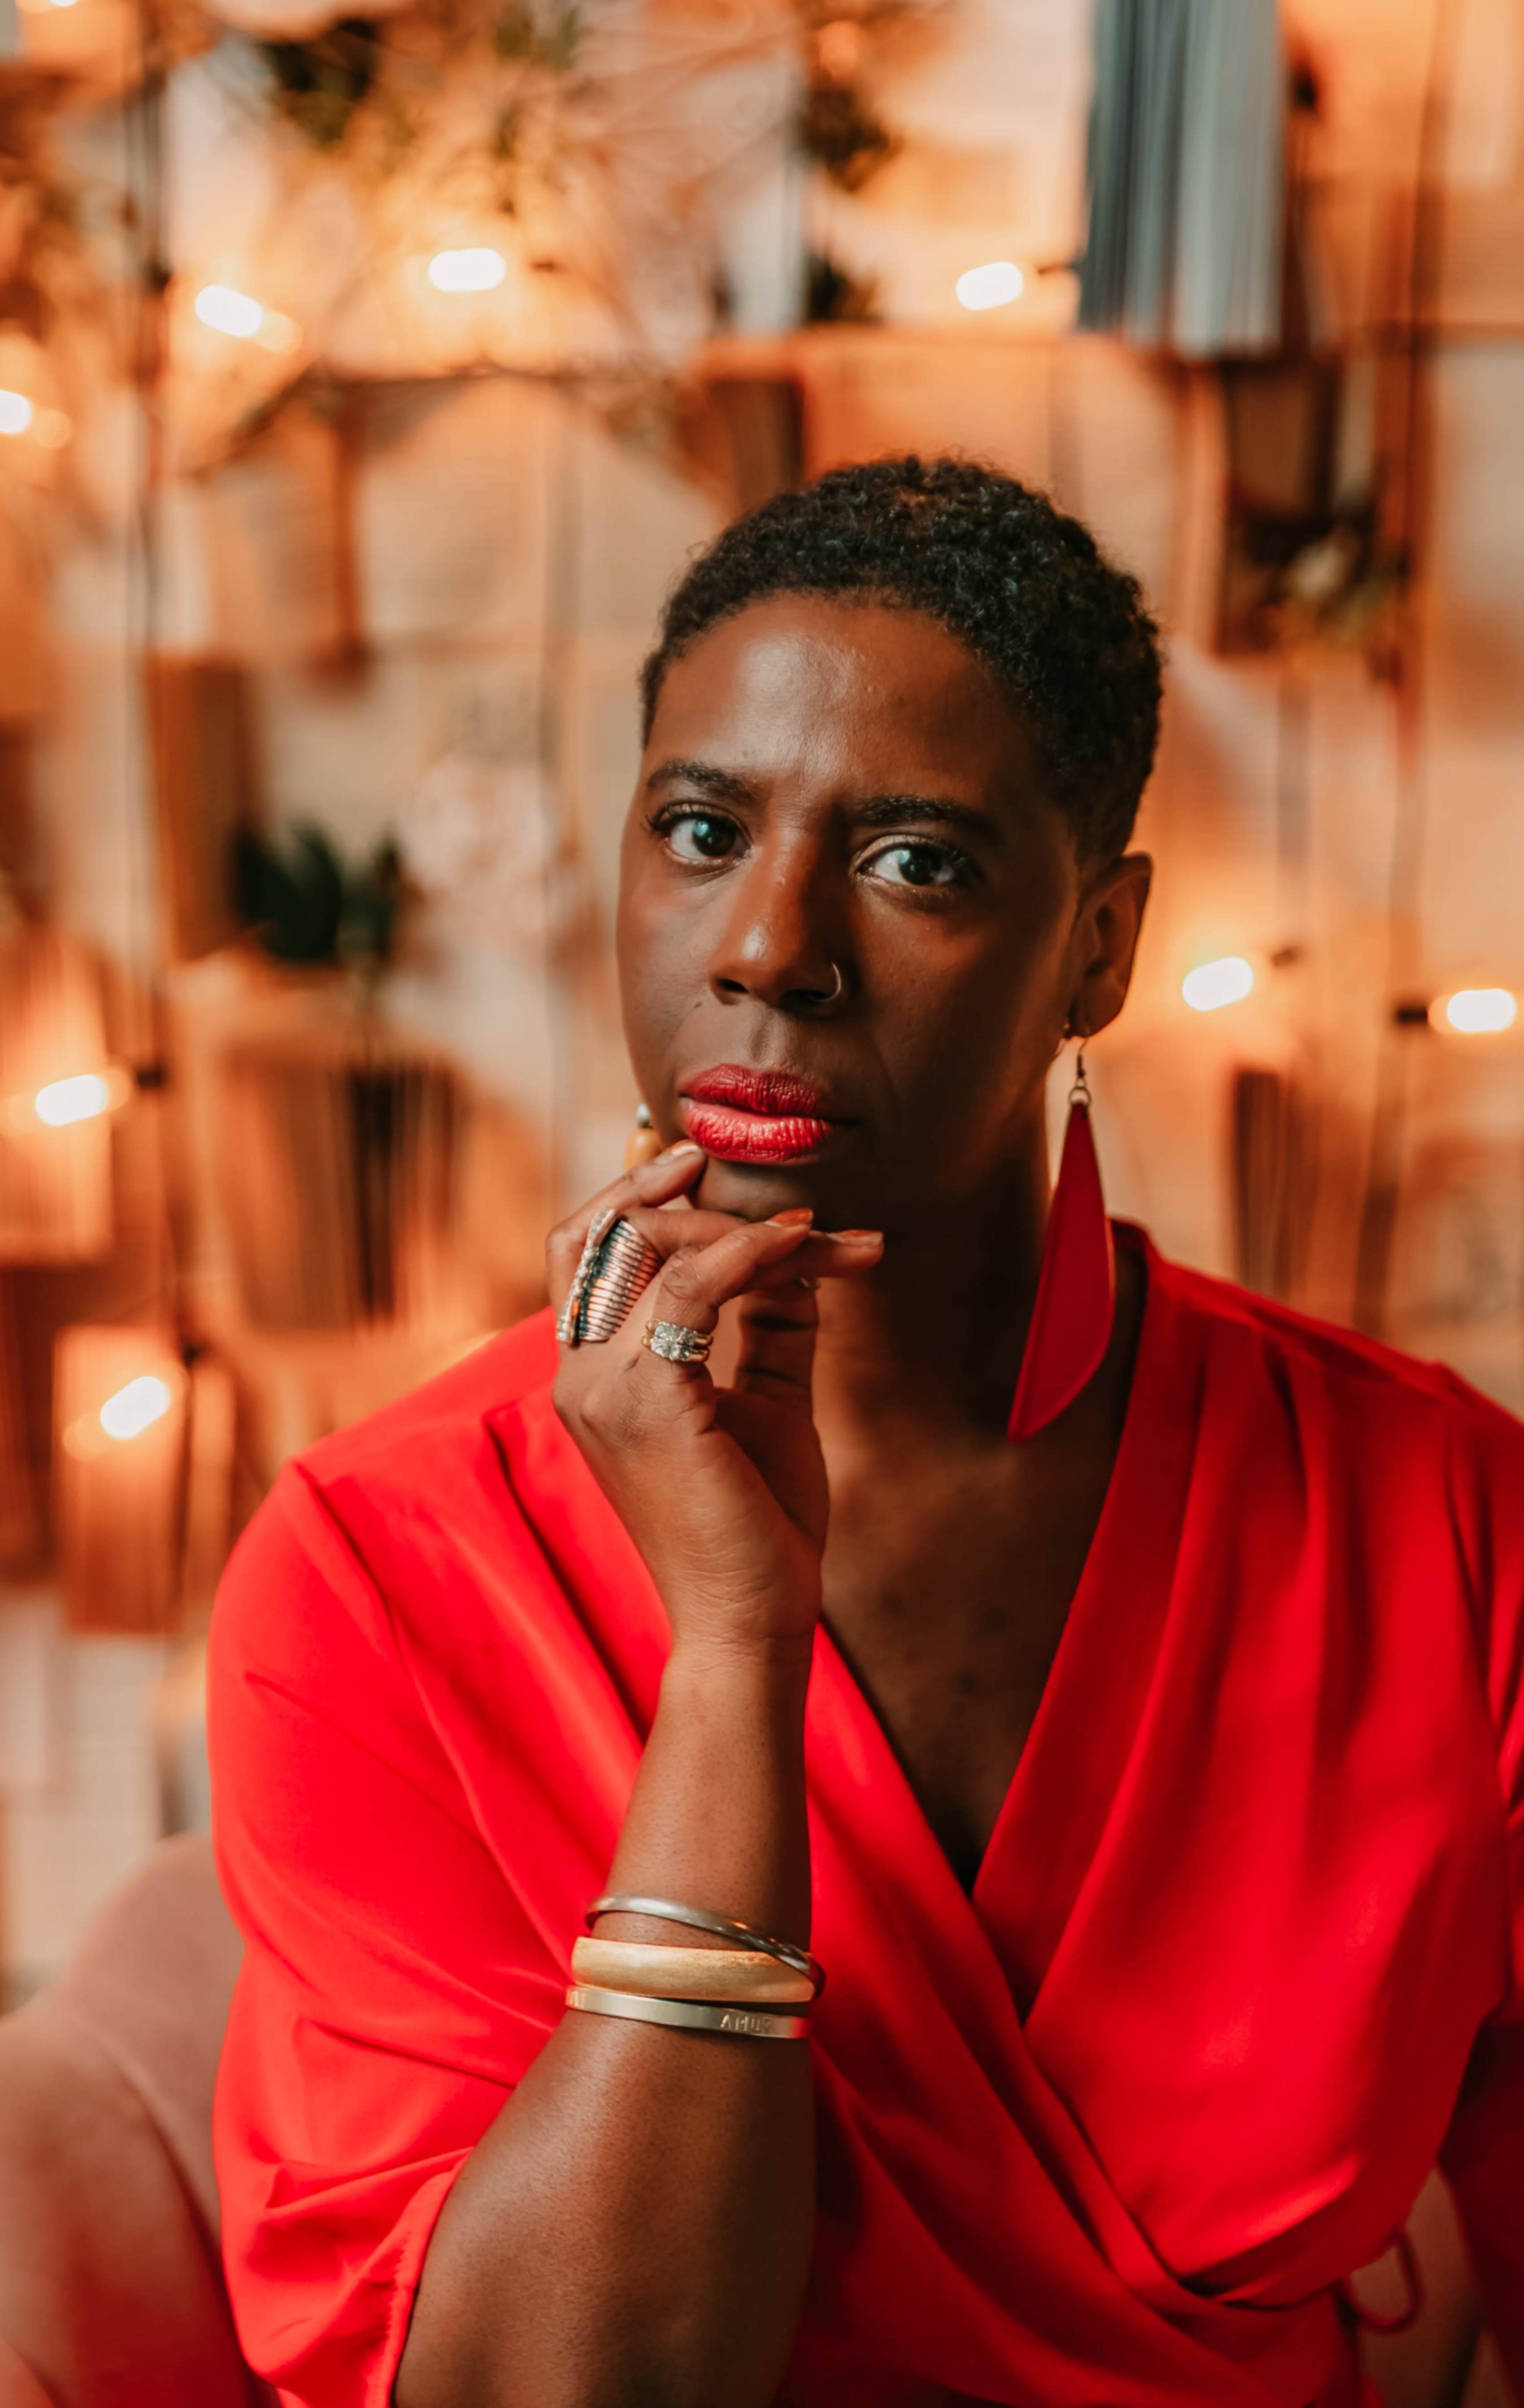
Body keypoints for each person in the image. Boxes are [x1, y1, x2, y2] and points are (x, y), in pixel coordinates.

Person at [209, 456, 1524, 2408]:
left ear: (1099, 943)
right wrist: (735, 1659)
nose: (771, 946)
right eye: (701, 828)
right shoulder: (374, 1567)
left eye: (917, 860)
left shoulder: (1438, 1521)